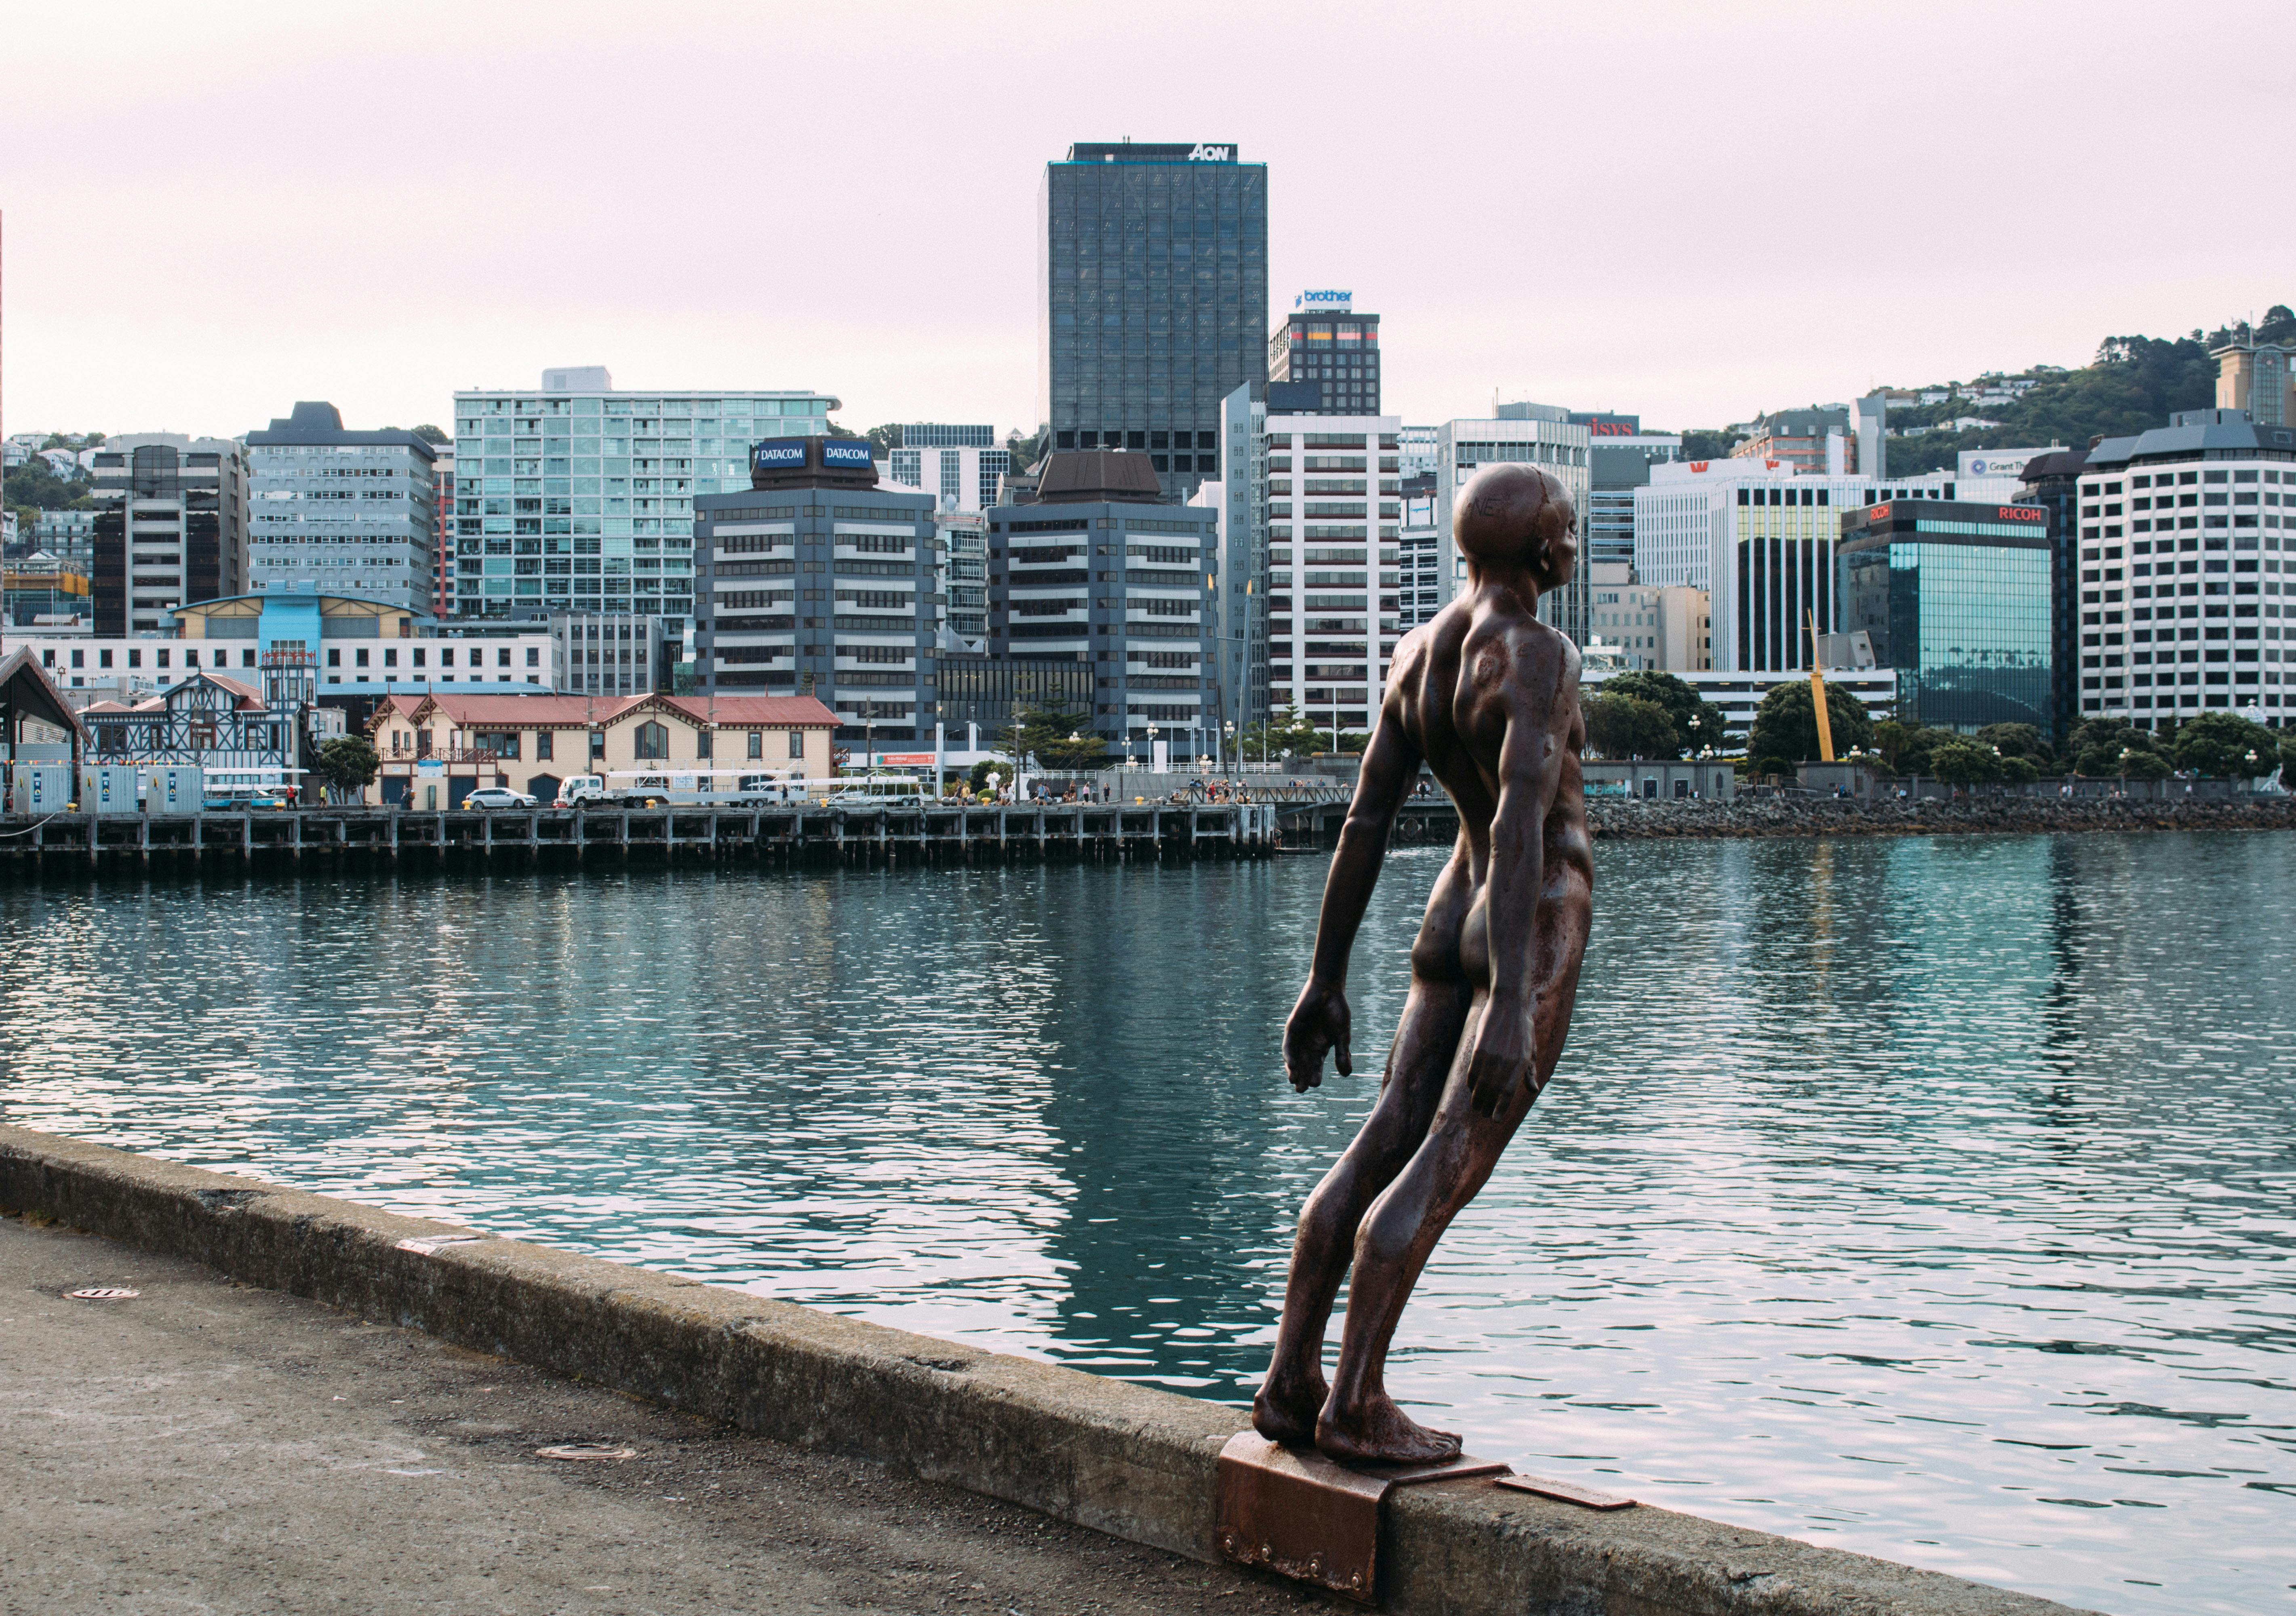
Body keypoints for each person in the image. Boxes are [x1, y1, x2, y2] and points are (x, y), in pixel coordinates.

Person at [1253, 463, 1593, 1468]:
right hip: (1527, 912)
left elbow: (1365, 820)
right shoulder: (1537, 653)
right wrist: (1505, 1015)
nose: (1569, 546)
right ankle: (1356, 1401)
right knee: (1444, 1162)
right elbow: (1525, 812)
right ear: (1541, 549)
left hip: (1449, 912)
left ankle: (1291, 1380)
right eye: (1565, 532)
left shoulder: (1416, 653)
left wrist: (1325, 977)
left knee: (1379, 1142)